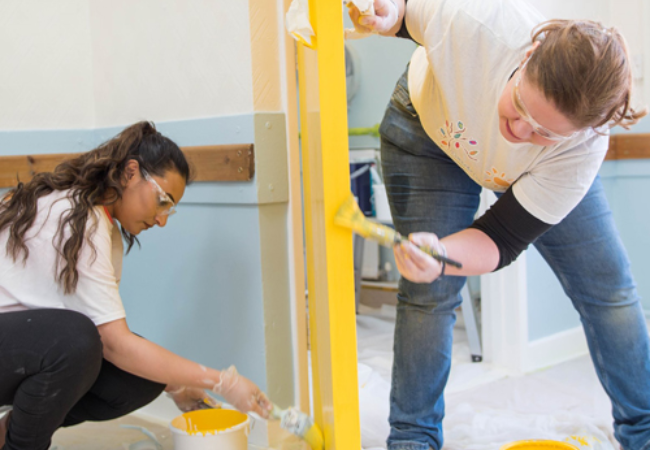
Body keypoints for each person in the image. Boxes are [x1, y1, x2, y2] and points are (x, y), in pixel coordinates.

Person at [348, 0, 650, 449]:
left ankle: (643, 432)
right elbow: (403, 11)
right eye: (521, 106)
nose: (520, 131)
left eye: (544, 132)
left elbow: (500, 238)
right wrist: (387, 16)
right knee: (428, 295)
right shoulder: (475, 21)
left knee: (608, 289)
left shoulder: (579, 152)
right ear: (527, 57)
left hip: (542, 174)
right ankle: (413, 439)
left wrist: (444, 255)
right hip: (426, 133)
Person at [0, 121, 272, 450]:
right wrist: (224, 382)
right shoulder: (80, 220)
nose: (162, 219)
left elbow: (112, 340)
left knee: (141, 376)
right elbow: (113, 344)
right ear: (130, 172)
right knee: (77, 341)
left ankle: (9, 434)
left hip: (16, 344)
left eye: (170, 209)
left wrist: (176, 384)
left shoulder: (101, 224)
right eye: (162, 201)